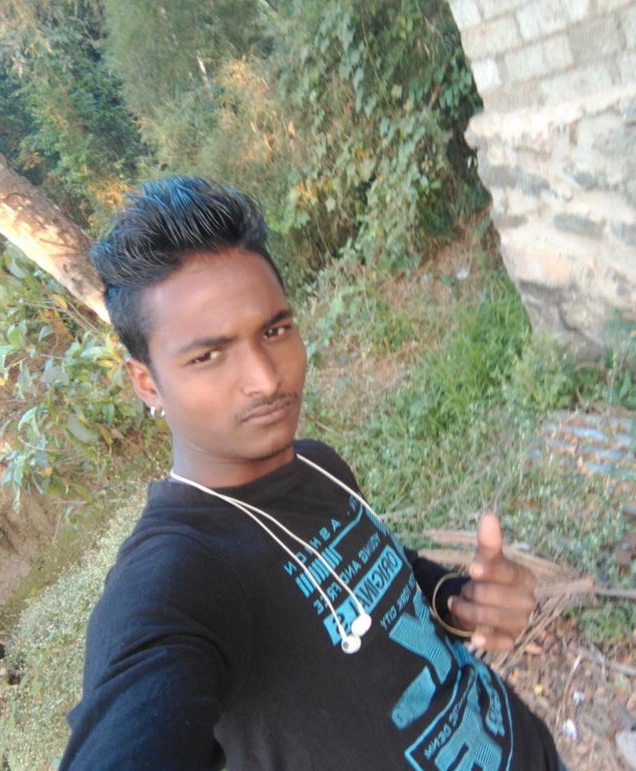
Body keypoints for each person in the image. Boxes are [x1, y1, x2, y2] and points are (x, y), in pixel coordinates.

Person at [60, 176, 560, 770]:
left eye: (274, 330)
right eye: (208, 355)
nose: (266, 379)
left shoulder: (318, 463)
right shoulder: (175, 580)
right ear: (147, 383)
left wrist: (456, 601)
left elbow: (387, 574)